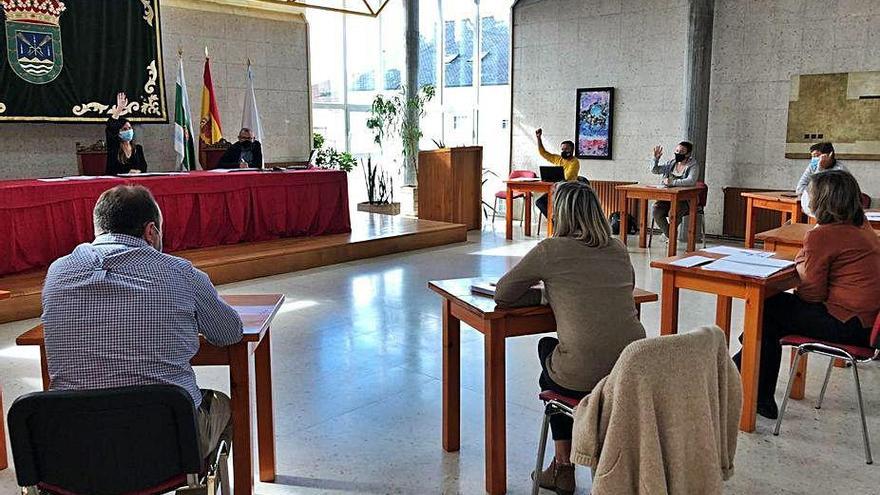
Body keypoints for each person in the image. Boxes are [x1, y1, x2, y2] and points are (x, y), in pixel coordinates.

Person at [41, 185, 244, 461]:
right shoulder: (181, 272)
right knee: (224, 407)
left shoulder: (58, 272)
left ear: (99, 228)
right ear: (151, 231)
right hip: (166, 441)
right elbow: (230, 333)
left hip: (77, 443)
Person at [494, 180, 646, 495]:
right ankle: (591, 456)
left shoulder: (551, 250)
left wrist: (544, 297)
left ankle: (563, 466)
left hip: (583, 376)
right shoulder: (617, 247)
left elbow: (504, 293)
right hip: (630, 371)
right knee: (566, 356)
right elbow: (626, 288)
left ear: (560, 214)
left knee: (548, 353)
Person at [733, 170, 880, 420]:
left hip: (845, 323)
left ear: (822, 200)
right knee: (769, 314)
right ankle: (741, 368)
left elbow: (811, 294)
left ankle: (755, 392)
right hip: (865, 325)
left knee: (765, 309)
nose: (805, 198)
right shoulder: (862, 228)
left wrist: (803, 262)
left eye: (810, 193)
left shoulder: (823, 235)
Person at [650, 141, 701, 240]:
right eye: (677, 151)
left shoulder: (693, 165)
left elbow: (690, 181)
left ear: (688, 154)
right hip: (667, 198)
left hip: (685, 200)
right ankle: (670, 234)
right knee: (656, 209)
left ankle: (669, 235)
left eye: (681, 151)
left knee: (673, 212)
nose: (678, 153)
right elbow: (655, 170)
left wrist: (672, 182)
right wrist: (655, 159)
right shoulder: (671, 163)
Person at [535, 128, 581, 217]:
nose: (564, 151)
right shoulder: (558, 159)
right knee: (539, 202)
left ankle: (557, 222)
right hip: (557, 189)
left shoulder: (575, 162)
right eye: (562, 149)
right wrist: (538, 138)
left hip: (568, 190)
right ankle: (553, 222)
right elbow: (543, 153)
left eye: (567, 149)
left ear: (572, 150)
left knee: (553, 203)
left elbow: (567, 177)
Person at [796, 142, 847, 217]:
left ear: (830, 155)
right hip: (813, 209)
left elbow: (829, 196)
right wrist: (819, 169)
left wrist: (820, 169)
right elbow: (799, 188)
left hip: (832, 212)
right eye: (812, 156)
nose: (814, 159)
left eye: (816, 156)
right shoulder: (812, 167)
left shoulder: (840, 171)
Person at [105, 92, 148, 175]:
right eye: (124, 129)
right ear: (118, 132)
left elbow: (143, 167)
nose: (128, 131)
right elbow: (110, 127)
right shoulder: (114, 147)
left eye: (129, 128)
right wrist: (119, 110)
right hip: (116, 183)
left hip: (135, 182)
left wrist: (138, 171)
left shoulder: (138, 149)